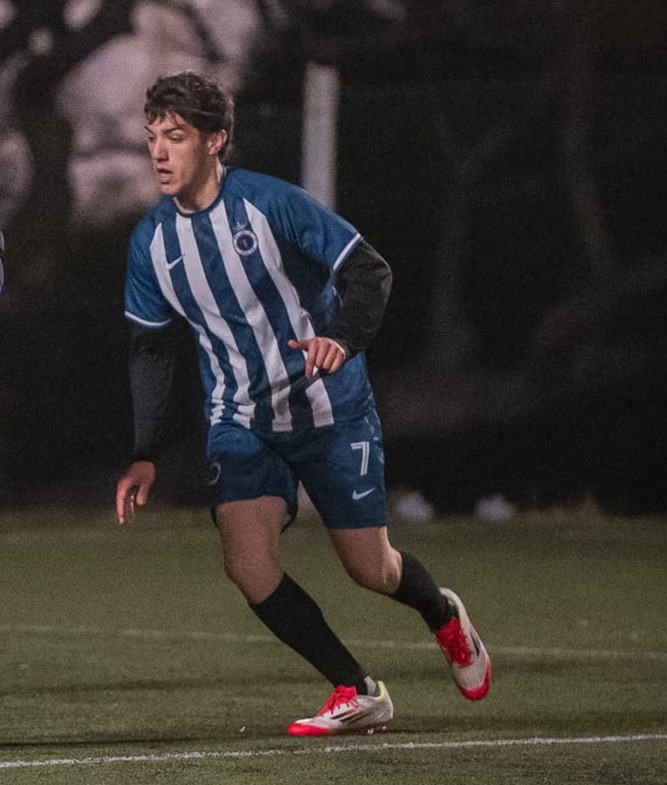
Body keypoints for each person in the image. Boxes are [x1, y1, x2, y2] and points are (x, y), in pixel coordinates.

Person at [115, 71, 491, 737]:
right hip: (240, 418)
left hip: (329, 408)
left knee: (371, 568)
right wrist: (144, 451)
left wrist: (340, 339)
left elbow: (369, 269)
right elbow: (150, 349)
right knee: (247, 563)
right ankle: (357, 688)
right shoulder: (151, 243)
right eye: (151, 138)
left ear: (215, 141)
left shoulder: (272, 205)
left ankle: (442, 613)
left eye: (175, 137)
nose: (159, 153)